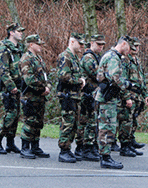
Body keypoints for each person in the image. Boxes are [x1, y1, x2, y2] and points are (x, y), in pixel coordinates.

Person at [95, 35, 135, 169]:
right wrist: (128, 85)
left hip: (109, 97)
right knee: (106, 127)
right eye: (129, 47)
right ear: (123, 44)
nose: (129, 51)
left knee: (109, 127)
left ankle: (106, 156)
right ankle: (105, 157)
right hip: (107, 98)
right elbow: (115, 78)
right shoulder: (112, 57)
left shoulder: (112, 56)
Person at [0, 23, 25, 155]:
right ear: (11, 32)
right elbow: (3, 71)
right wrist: (11, 86)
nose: (21, 33)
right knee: (10, 113)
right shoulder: (4, 49)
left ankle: (10, 143)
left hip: (18, 85)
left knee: (16, 115)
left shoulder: (18, 49)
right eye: (19, 31)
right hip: (9, 87)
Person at [55, 33, 87, 163]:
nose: (82, 46)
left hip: (75, 96)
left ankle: (68, 148)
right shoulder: (65, 56)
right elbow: (64, 76)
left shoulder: (74, 58)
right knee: (67, 123)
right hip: (67, 95)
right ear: (72, 42)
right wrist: (79, 81)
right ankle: (63, 150)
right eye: (80, 43)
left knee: (74, 123)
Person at [18, 34, 51, 159]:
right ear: (31, 44)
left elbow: (46, 76)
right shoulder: (27, 58)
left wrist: (48, 87)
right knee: (30, 122)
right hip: (30, 97)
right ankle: (25, 148)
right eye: (38, 44)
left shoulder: (39, 59)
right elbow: (29, 79)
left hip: (40, 97)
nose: (40, 46)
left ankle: (35, 147)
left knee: (38, 122)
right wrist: (42, 89)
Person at [117, 37, 148, 157]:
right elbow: (123, 79)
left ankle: (130, 142)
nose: (136, 49)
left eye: (138, 46)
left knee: (133, 120)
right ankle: (125, 145)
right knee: (126, 120)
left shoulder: (137, 61)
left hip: (137, 95)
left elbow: (142, 79)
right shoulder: (125, 60)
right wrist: (126, 97)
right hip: (130, 94)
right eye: (134, 46)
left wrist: (145, 94)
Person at [79, 34, 106, 161]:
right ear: (92, 43)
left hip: (93, 93)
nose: (101, 47)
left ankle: (91, 147)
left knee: (93, 121)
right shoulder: (89, 58)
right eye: (98, 44)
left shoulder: (96, 57)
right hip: (88, 93)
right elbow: (97, 74)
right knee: (89, 122)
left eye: (102, 45)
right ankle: (86, 148)